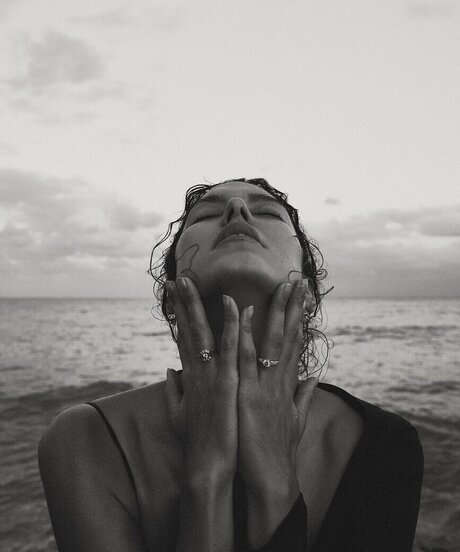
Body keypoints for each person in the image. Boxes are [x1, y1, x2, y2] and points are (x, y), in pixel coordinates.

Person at [38, 178, 424, 552]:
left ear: (307, 293)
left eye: (268, 213)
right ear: (171, 297)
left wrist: (272, 478)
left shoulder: (383, 444)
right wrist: (207, 474)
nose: (237, 210)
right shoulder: (84, 440)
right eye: (206, 215)